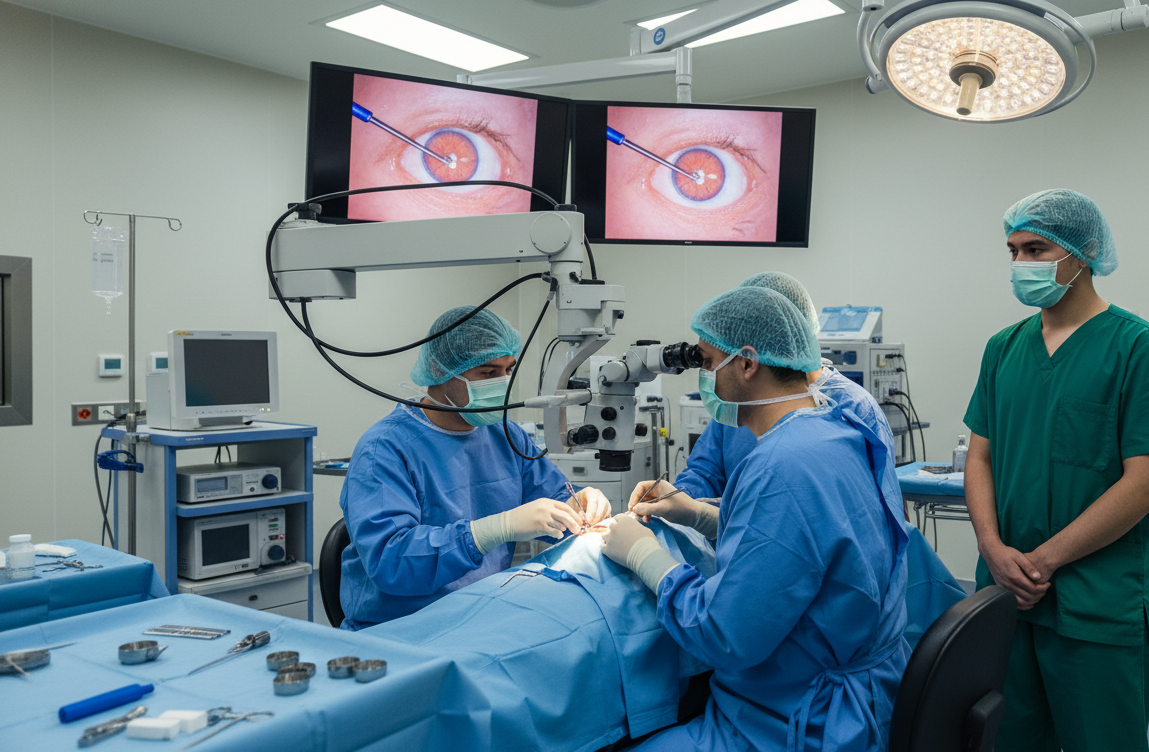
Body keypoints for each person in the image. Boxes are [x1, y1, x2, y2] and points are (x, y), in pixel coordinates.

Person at [601, 285, 910, 751]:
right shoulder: (834, 432)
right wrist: (701, 514)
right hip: (862, 691)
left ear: (747, 363)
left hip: (794, 721)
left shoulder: (781, 465)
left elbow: (724, 636)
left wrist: (647, 558)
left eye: (706, 363)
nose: (704, 377)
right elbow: (809, 541)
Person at [963, 189, 1149, 751]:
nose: (1021, 264)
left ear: (1082, 252)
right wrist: (994, 551)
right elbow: (980, 457)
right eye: (1013, 251)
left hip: (1093, 603)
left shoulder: (1140, 348)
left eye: (1036, 249)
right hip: (1005, 592)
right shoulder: (1003, 348)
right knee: (1007, 738)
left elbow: (1144, 485)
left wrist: (1041, 563)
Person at [338, 306, 610, 630]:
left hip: (483, 617)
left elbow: (552, 497)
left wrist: (580, 508)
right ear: (441, 370)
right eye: (488, 373)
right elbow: (391, 562)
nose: (503, 383)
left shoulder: (505, 435)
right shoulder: (384, 450)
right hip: (403, 629)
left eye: (508, 369)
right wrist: (492, 530)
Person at [645, 271, 900, 508]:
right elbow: (705, 471)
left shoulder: (854, 408)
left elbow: (879, 509)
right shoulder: (741, 401)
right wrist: (675, 503)